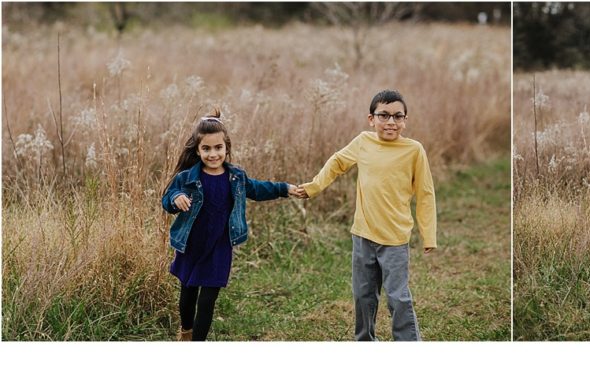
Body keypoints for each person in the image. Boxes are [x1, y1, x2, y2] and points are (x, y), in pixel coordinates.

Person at [295, 89, 437, 341]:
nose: (391, 122)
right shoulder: (363, 142)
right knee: (363, 295)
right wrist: (315, 186)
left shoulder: (414, 150)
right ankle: (364, 341)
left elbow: (425, 194)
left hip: (395, 239)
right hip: (362, 235)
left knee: (398, 297)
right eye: (383, 115)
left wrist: (429, 235)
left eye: (397, 116)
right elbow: (337, 162)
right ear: (371, 119)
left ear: (405, 120)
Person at [161, 109, 302, 341]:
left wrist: (284, 188)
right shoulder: (186, 178)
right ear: (197, 150)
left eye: (218, 148)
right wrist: (175, 199)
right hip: (192, 245)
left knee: (207, 299)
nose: (213, 154)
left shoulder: (235, 177)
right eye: (206, 148)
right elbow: (167, 200)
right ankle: (186, 331)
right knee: (188, 292)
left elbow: (258, 189)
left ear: (226, 148)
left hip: (219, 246)